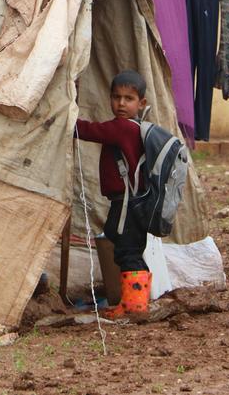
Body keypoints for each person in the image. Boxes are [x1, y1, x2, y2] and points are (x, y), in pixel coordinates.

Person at [75, 70, 151, 320]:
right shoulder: (138, 128)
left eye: (128, 98)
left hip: (127, 203)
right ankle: (133, 301)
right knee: (127, 247)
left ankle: (135, 306)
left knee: (126, 251)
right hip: (134, 202)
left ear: (141, 104)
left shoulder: (122, 128)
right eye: (116, 97)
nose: (121, 103)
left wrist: (65, 116)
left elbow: (88, 131)